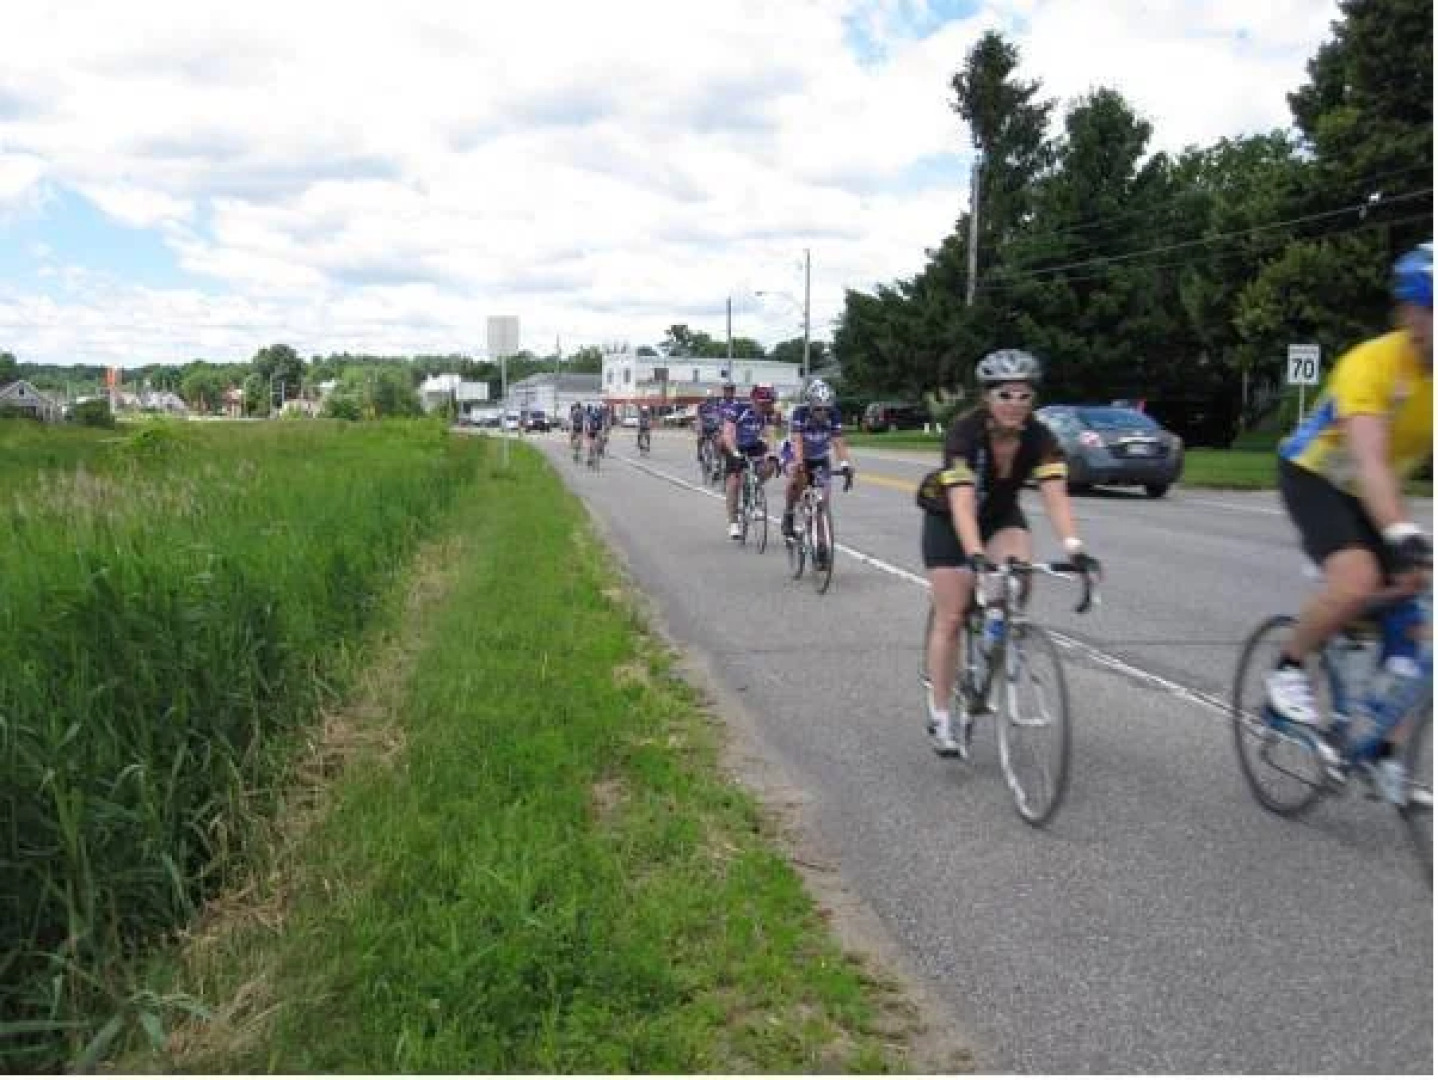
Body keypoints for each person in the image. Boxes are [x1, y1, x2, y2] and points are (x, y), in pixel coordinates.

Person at [1265, 243, 1433, 797]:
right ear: (1410, 314)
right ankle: (1288, 668)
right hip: (1317, 475)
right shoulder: (1373, 364)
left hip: (1371, 490)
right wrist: (1402, 534)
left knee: (1415, 611)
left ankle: (1384, 748)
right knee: (1358, 577)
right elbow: (1369, 460)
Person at [917, 349, 1100, 758]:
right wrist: (977, 558)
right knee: (950, 614)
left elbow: (1056, 497)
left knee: (1018, 578)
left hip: (1000, 514)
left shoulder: (1041, 437)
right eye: (1005, 395)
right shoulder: (964, 434)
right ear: (987, 397)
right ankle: (942, 713)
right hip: (949, 519)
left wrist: (1075, 548)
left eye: (1023, 396)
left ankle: (995, 641)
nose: (1014, 405)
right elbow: (963, 505)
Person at [782, 379, 854, 565]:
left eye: (826, 408)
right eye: (818, 409)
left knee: (822, 502)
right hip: (796, 453)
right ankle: (789, 513)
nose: (823, 413)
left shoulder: (834, 415)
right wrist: (799, 464)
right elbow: (797, 441)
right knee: (795, 480)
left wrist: (845, 464)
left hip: (820, 457)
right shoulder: (800, 413)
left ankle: (821, 546)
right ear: (810, 405)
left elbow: (838, 443)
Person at [721, 383, 779, 539]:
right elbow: (727, 434)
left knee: (771, 464)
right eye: (763, 403)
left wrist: (773, 453)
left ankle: (754, 488)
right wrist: (735, 453)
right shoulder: (738, 409)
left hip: (753, 444)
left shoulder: (769, 413)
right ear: (753, 400)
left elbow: (771, 435)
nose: (766, 406)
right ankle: (733, 523)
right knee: (734, 481)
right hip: (734, 445)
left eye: (769, 403)